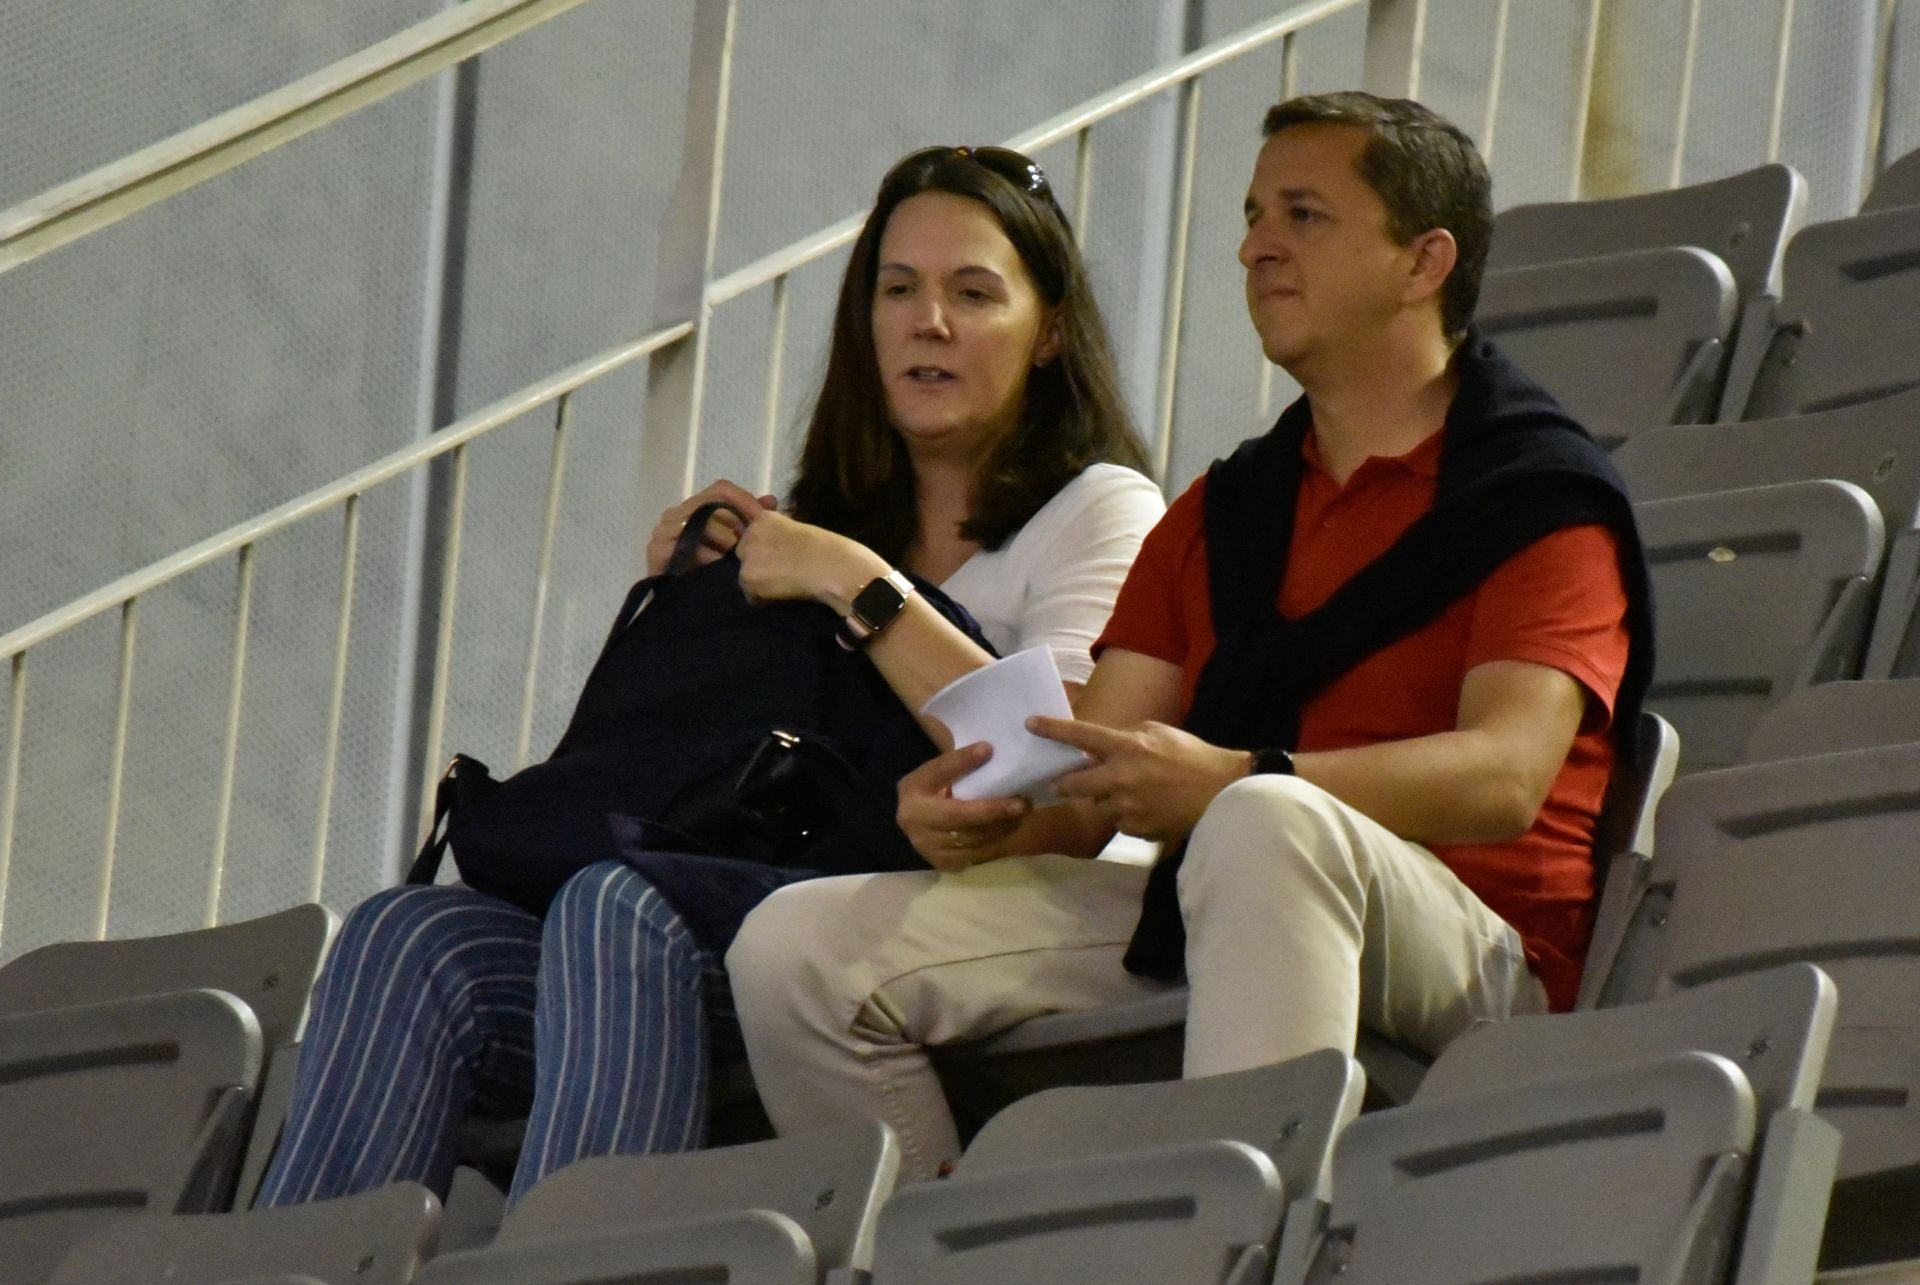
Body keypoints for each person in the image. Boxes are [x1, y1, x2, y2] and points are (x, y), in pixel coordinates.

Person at [726, 91, 1655, 1182]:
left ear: (1424, 262)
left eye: (1303, 215)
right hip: (1219, 890)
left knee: (1264, 820)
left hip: (1478, 944)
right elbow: (1087, 789)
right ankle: (944, 1247)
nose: (1256, 247)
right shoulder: (1224, 512)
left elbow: (1503, 777)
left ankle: (1229, 1236)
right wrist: (984, 822)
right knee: (792, 949)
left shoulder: (1538, 493)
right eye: (1254, 216)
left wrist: (1235, 778)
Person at [255, 145, 1163, 1207]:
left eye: (973, 293)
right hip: (745, 892)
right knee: (404, 932)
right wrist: (704, 601)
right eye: (898, 290)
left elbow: (1058, 762)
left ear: (1049, 330)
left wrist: (856, 585)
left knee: (618, 903)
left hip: (929, 931)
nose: (929, 322)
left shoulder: (1099, 507)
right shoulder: (810, 528)